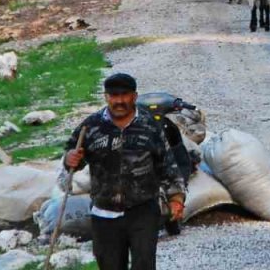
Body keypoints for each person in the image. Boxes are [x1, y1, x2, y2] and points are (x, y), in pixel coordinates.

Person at [63, 73, 186, 270]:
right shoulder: (90, 126)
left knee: (144, 265)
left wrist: (176, 198)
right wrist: (70, 158)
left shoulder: (150, 126)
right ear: (106, 97)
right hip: (104, 214)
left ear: (134, 96)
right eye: (114, 95)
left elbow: (167, 164)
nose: (119, 101)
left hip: (143, 211)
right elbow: (72, 156)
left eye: (125, 95)